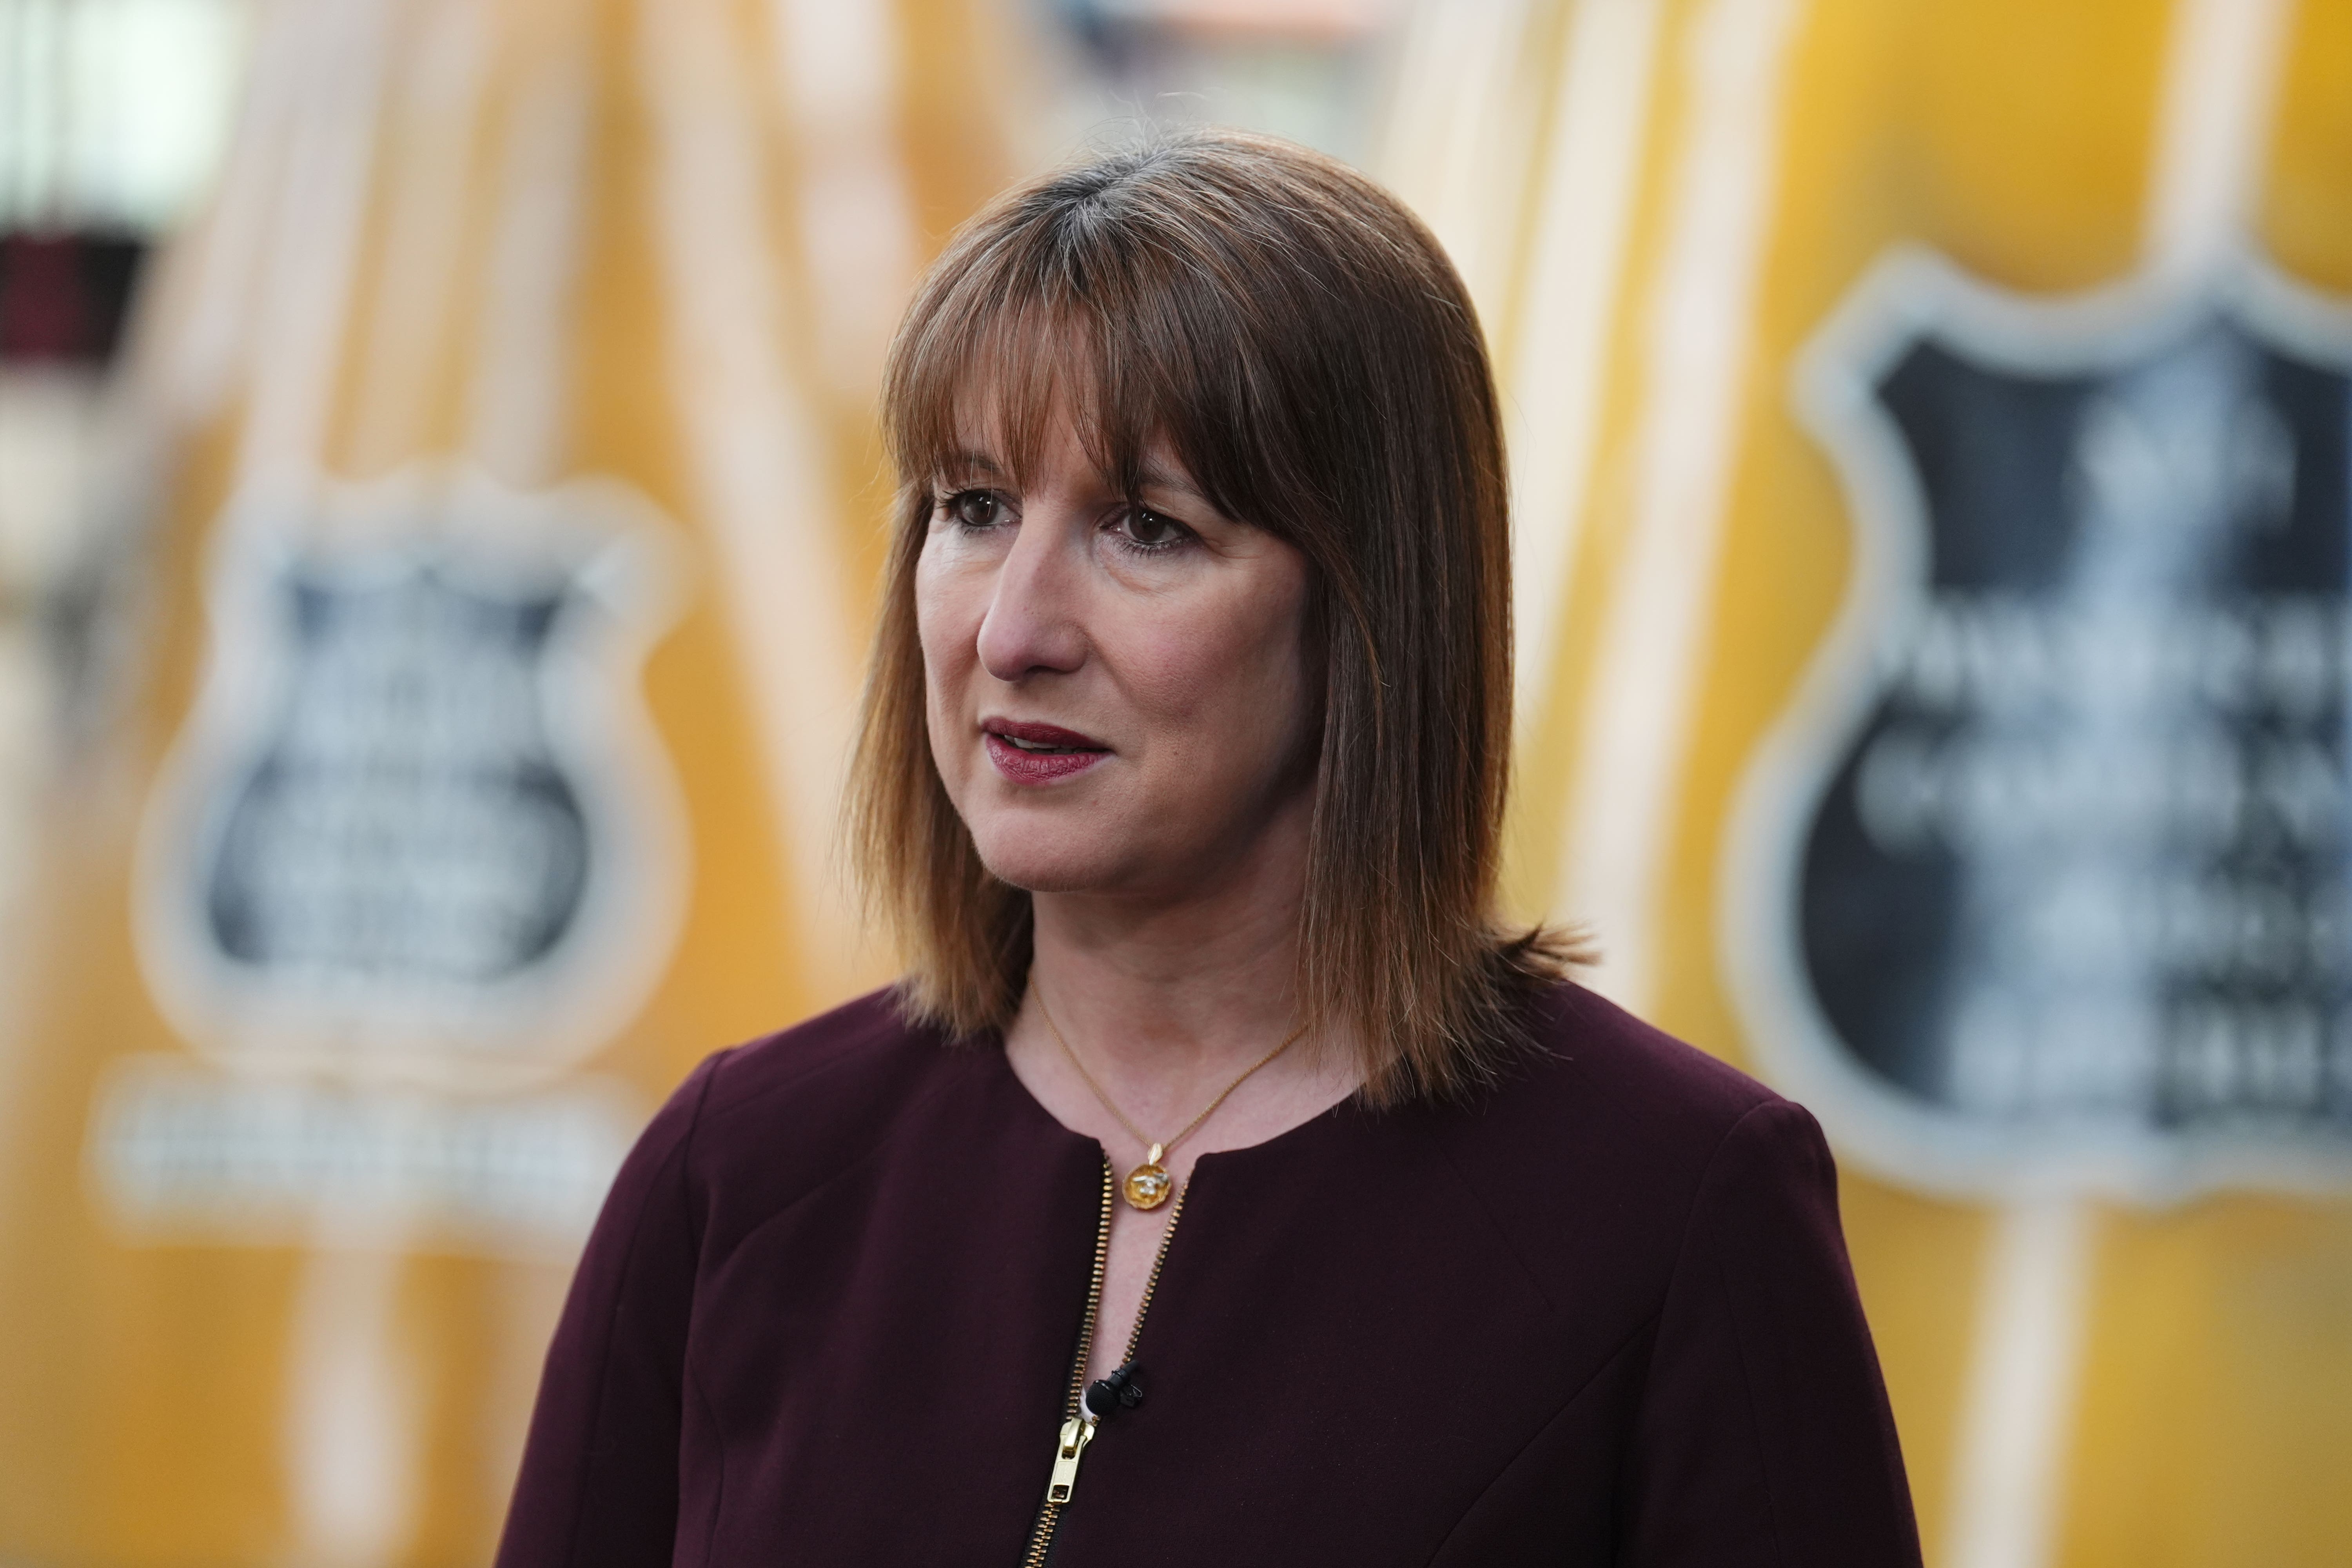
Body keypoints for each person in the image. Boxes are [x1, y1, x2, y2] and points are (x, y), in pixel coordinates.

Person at [495, 128, 1921, 1566]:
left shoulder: (1676, 1211)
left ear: (1372, 610)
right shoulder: (734, 1167)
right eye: (974, 509)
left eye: (1146, 529)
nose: (1013, 631)